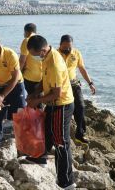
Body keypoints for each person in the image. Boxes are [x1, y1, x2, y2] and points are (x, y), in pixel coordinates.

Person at [27, 35, 76, 190]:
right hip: (53, 104)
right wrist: (36, 91)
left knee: (61, 142)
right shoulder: (47, 56)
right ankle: (40, 157)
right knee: (46, 132)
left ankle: (66, 181)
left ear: (42, 50)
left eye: (35, 55)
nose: (35, 58)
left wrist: (37, 101)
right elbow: (45, 79)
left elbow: (56, 93)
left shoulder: (54, 63)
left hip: (61, 105)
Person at [58, 34, 96, 144]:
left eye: (69, 47)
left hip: (74, 85)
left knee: (80, 107)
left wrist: (90, 83)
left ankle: (80, 134)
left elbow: (82, 69)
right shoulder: (55, 54)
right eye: (65, 47)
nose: (67, 49)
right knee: (62, 110)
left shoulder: (76, 53)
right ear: (60, 45)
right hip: (61, 87)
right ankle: (60, 135)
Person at [19, 23, 43, 104]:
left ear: (26, 32)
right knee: (39, 101)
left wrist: (17, 74)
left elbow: (22, 60)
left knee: (30, 101)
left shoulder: (26, 40)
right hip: (42, 77)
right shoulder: (41, 40)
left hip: (30, 77)